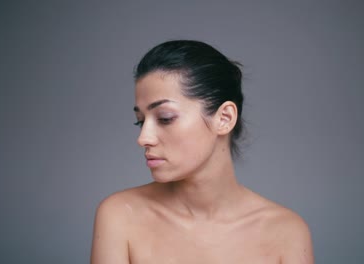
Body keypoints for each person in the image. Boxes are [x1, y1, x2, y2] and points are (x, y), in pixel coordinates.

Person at [90, 40, 314, 264]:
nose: (143, 138)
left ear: (224, 118)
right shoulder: (120, 216)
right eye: (140, 122)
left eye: (165, 118)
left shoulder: (287, 233)